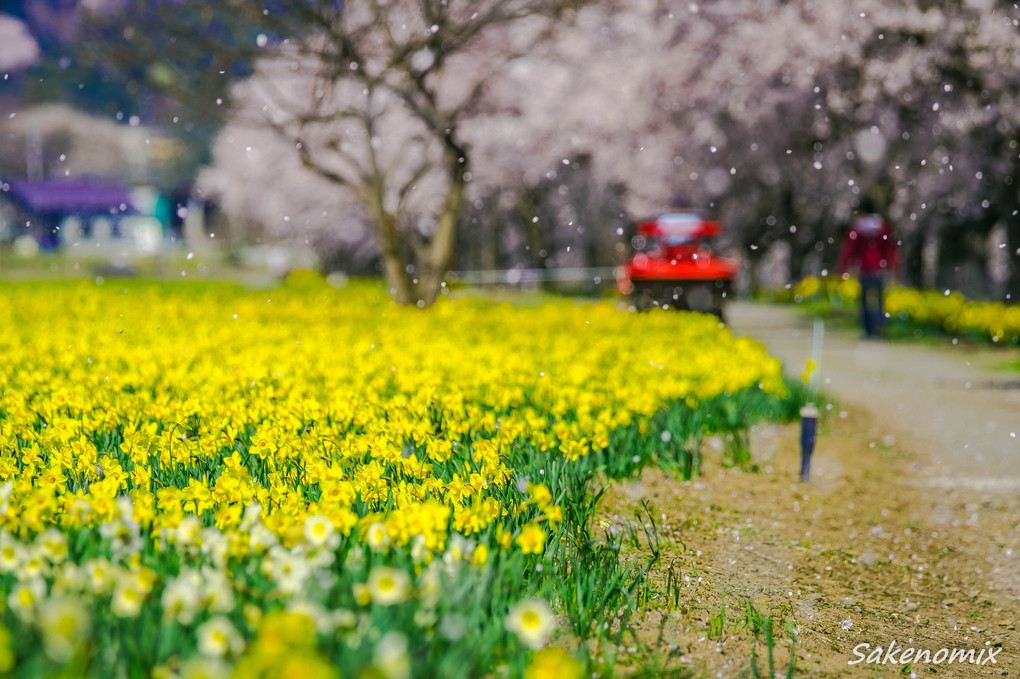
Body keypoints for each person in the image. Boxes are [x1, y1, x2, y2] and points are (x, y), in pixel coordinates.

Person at [836, 198, 900, 338]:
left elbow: (849, 250)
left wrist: (843, 267)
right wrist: (894, 265)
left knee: (865, 301)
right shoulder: (882, 226)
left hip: (865, 269)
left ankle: (868, 330)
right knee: (879, 301)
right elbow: (890, 247)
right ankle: (880, 327)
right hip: (879, 268)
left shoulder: (858, 228)